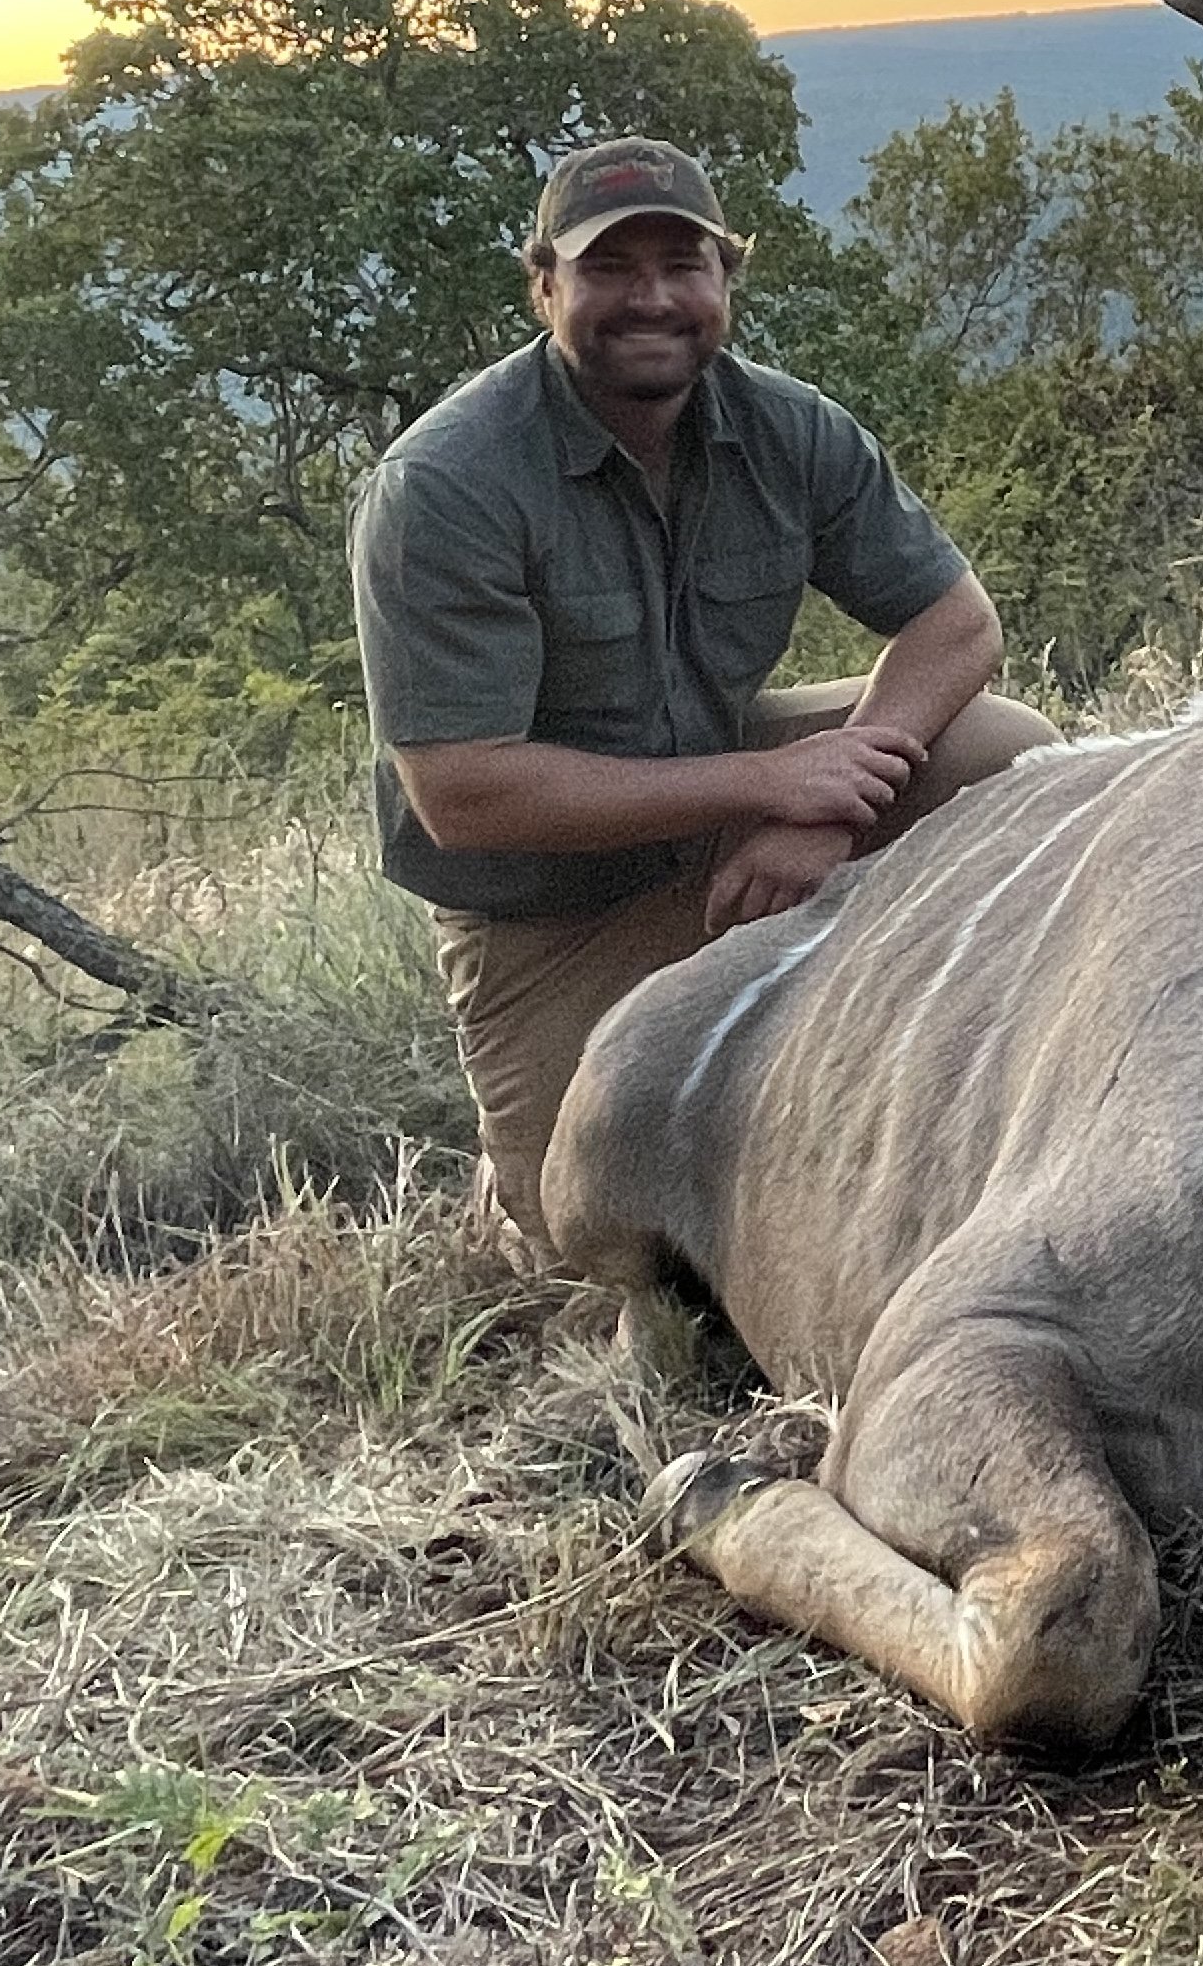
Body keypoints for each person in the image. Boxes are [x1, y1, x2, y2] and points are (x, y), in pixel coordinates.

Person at [350, 136, 1055, 1260]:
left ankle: (924, 1041)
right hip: (547, 908)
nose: (653, 299)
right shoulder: (447, 484)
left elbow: (958, 622)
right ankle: (527, 1143)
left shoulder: (788, 426)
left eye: (683, 264)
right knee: (598, 1247)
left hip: (724, 808)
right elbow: (465, 794)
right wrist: (774, 779)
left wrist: (822, 804)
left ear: (728, 278)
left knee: (1002, 752)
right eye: (609, 269)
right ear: (544, 285)